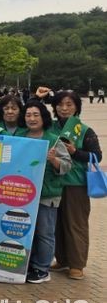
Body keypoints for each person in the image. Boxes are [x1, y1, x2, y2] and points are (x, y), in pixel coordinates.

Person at [46, 90, 102, 280]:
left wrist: (75, 152)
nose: (64, 108)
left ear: (77, 107)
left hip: (75, 184)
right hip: (53, 183)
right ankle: (62, 259)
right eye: (60, 104)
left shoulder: (84, 130)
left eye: (69, 104)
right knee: (57, 224)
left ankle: (77, 264)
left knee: (75, 224)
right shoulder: (50, 127)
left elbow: (97, 156)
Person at [19, 101, 72, 283]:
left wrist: (54, 160)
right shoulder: (19, 137)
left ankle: (42, 268)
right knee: (25, 232)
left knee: (44, 233)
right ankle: (27, 265)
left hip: (46, 195)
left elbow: (67, 166)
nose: (32, 118)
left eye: (36, 115)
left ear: (43, 117)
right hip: (22, 195)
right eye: (28, 115)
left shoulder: (54, 139)